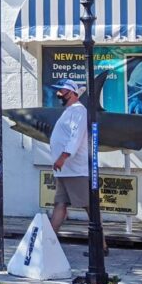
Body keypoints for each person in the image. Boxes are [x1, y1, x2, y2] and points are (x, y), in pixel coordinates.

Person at [41, 79, 108, 255]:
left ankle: (100, 246)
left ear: (73, 93)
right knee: (60, 203)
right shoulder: (69, 111)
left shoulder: (79, 111)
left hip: (75, 169)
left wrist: (64, 156)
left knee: (89, 206)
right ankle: (49, 241)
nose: (58, 94)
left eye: (62, 91)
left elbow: (75, 137)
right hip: (64, 170)